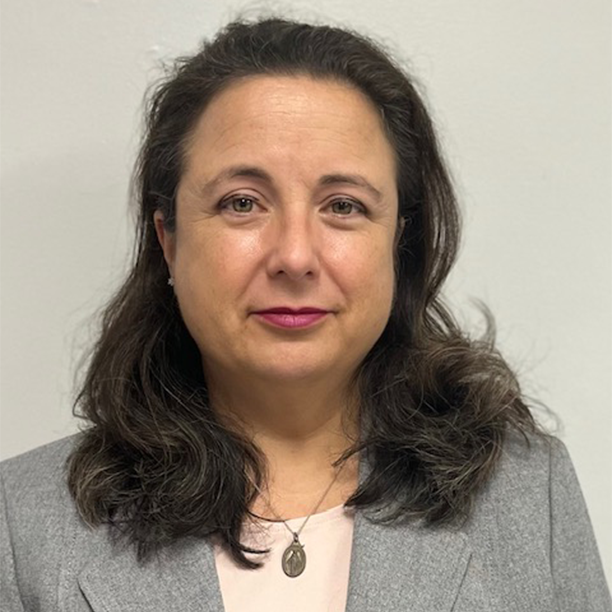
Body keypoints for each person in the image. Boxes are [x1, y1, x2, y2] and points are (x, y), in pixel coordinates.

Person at [0, 15, 609, 612]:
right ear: (169, 240)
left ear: (398, 241)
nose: (294, 256)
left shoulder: (531, 494)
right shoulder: (21, 523)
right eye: (243, 203)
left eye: (343, 206)